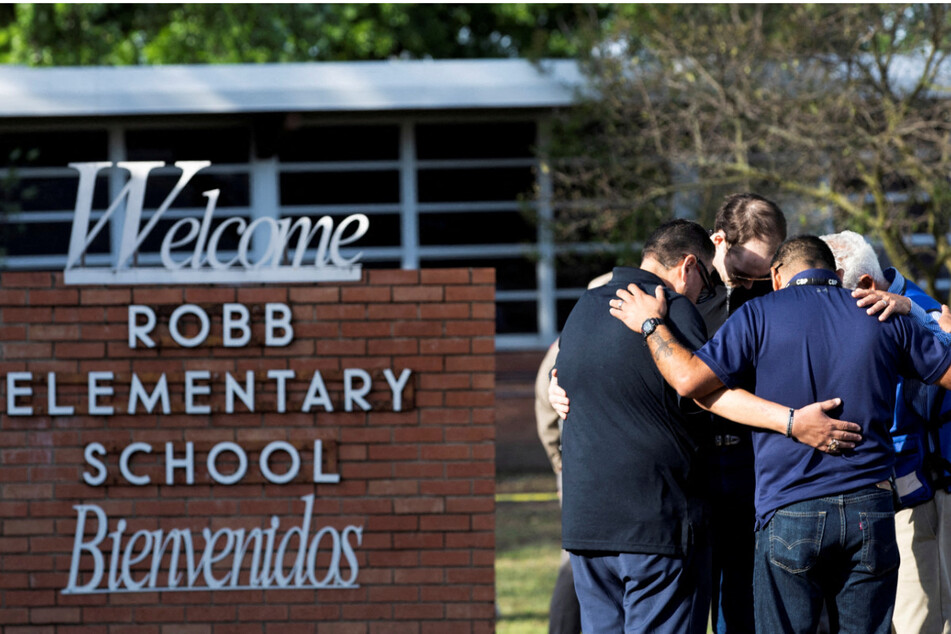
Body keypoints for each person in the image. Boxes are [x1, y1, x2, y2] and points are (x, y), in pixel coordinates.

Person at [607, 235, 951, 633]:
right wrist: (918, 313)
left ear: (775, 276)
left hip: (790, 507)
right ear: (838, 276)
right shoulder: (880, 314)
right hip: (869, 506)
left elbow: (688, 381)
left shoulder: (757, 315)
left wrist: (652, 325)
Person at [555, 221, 858, 633]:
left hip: (586, 528)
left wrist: (559, 388)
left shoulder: (584, 307)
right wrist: (792, 422)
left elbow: (568, 380)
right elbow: (706, 396)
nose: (704, 294)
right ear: (688, 267)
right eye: (705, 281)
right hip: (656, 525)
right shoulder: (676, 312)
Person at [821, 230, 951, 634]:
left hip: (929, 494)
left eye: (832, 294)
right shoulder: (885, 314)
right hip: (899, 494)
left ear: (864, 285)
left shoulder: (920, 315)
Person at [535, 272, 610, 634]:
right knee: (575, 564)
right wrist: (561, 468)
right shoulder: (569, 344)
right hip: (579, 472)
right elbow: (545, 411)